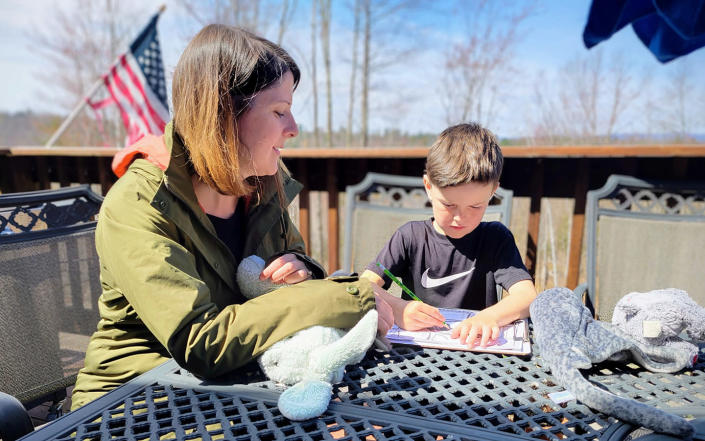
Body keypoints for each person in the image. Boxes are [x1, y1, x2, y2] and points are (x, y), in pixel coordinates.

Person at [71, 24, 393, 410]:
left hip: (236, 386)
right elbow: (200, 342)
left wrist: (303, 271)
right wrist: (345, 296)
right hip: (137, 402)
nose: (293, 129)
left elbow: (295, 274)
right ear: (222, 114)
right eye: (279, 112)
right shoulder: (140, 204)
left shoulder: (261, 187)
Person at [362, 123, 536, 349]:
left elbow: (527, 296)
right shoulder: (410, 236)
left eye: (475, 206)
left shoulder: (496, 239)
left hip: (476, 355)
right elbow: (364, 286)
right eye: (448, 204)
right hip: (414, 356)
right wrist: (397, 307)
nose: (459, 218)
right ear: (428, 186)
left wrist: (490, 317)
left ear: (493, 192)